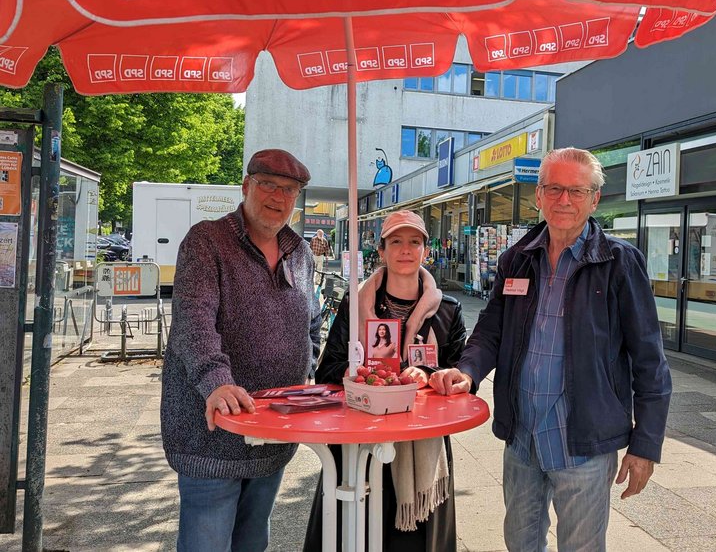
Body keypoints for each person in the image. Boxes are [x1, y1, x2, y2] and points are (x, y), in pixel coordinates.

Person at [430, 147, 672, 552]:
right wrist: (467, 371)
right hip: (522, 434)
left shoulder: (619, 262)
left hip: (582, 438)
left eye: (577, 191)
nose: (564, 200)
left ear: (595, 199)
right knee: (520, 541)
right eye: (554, 188)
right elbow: (492, 329)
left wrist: (645, 444)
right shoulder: (517, 260)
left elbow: (650, 358)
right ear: (538, 195)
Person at [161, 149, 321, 552]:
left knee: (252, 542)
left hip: (273, 430)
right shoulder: (207, 240)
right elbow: (192, 323)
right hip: (214, 431)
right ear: (246, 186)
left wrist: (307, 366)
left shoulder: (300, 253)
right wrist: (216, 382)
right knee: (207, 545)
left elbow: (312, 323)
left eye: (290, 189)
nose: (278, 196)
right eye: (268, 184)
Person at [304, 210, 467, 552]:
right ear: (381, 251)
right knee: (355, 532)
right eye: (396, 241)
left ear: (426, 250)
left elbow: (460, 375)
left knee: (413, 542)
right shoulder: (356, 303)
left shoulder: (448, 311)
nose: (405, 249)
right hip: (359, 441)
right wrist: (355, 374)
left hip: (420, 441)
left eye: (414, 242)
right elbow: (327, 368)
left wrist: (429, 376)